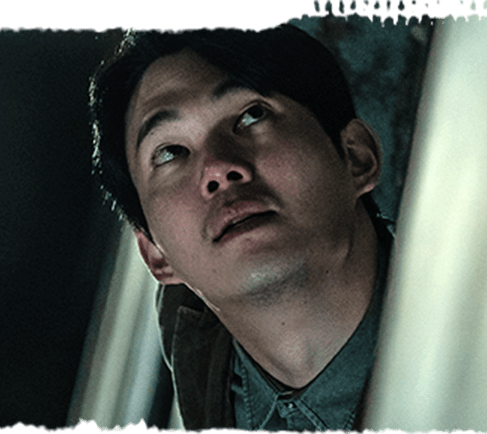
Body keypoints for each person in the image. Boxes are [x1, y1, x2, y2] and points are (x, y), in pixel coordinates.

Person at [89, 24, 393, 432]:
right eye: (170, 152)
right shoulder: (199, 364)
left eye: (251, 116)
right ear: (156, 255)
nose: (217, 168)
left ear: (356, 158)